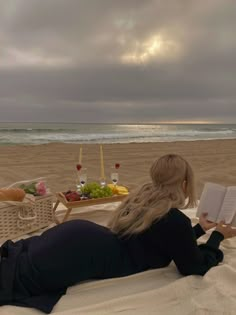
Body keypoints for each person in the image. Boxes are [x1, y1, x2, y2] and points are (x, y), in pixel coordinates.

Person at [0, 154, 235, 314]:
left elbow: (165, 241)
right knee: (18, 277)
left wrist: (200, 229)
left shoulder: (142, 200)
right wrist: (218, 237)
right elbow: (192, 265)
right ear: (184, 183)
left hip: (79, 237)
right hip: (83, 250)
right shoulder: (173, 219)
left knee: (18, 265)